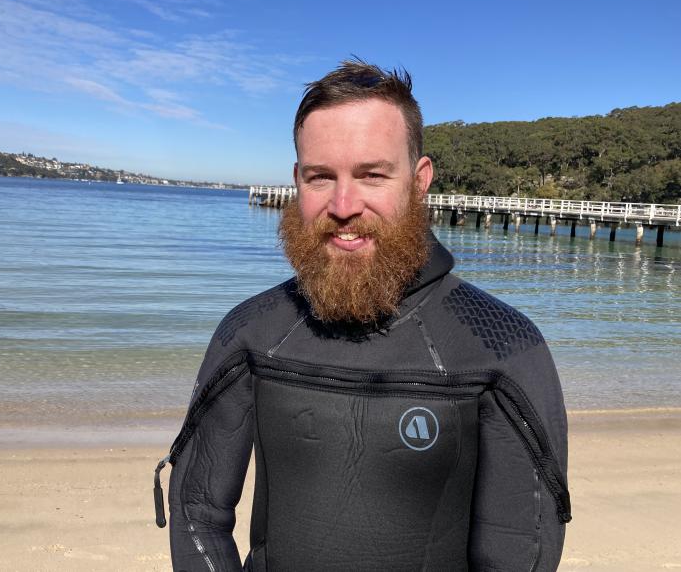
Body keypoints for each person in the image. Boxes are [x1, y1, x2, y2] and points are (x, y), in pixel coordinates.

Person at [154, 59, 570, 571]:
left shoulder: (501, 345)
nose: (343, 204)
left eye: (372, 174)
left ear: (419, 181)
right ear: (296, 182)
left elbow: (518, 548)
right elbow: (197, 512)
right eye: (320, 177)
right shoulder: (250, 331)